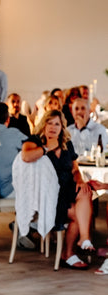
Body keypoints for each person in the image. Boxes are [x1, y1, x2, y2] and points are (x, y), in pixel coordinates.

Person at [21, 110, 101, 269]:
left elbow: (75, 169)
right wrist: (46, 148)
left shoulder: (66, 143)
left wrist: (79, 180)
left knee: (85, 191)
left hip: (66, 189)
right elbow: (26, 157)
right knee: (78, 214)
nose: (53, 127)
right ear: (43, 124)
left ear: (62, 127)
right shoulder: (34, 141)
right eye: (49, 123)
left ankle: (83, 239)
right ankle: (69, 253)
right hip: (47, 195)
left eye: (57, 124)